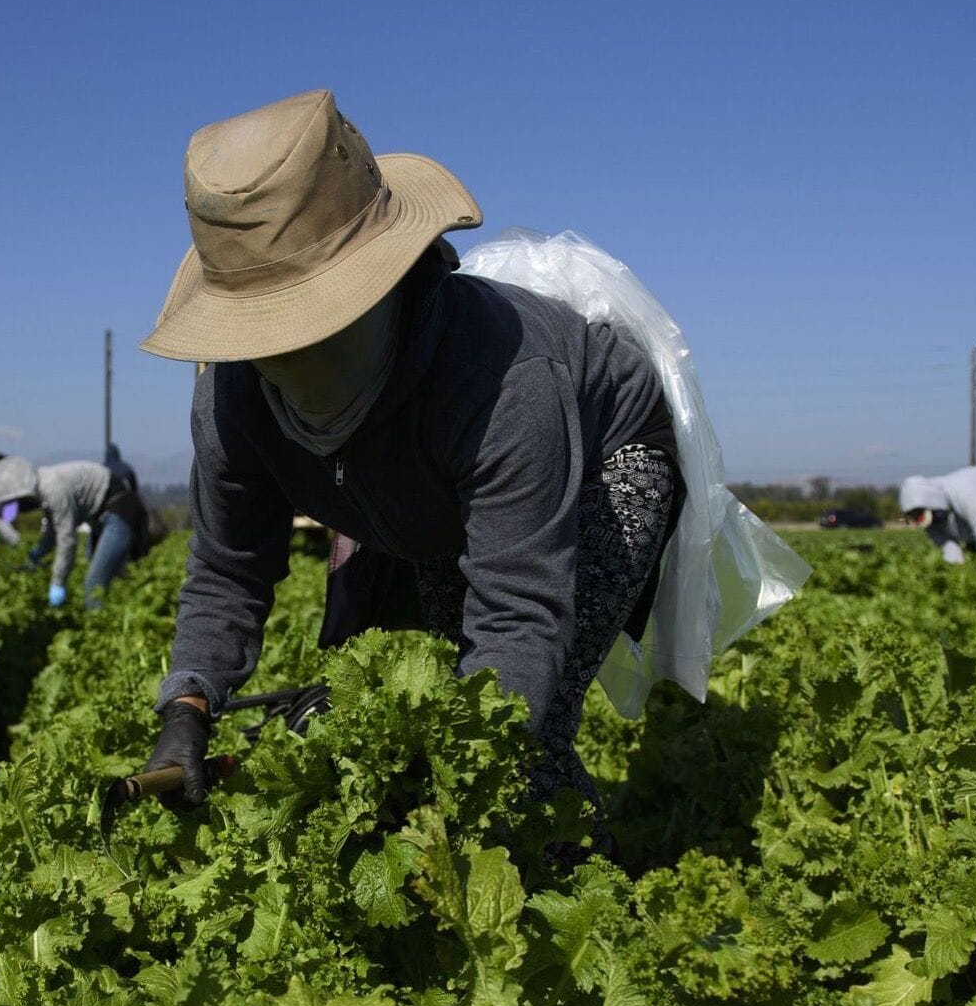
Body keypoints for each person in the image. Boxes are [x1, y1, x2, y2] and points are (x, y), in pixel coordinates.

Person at [137, 90, 683, 825]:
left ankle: (562, 905)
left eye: (314, 326)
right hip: (425, 484)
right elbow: (228, 570)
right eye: (269, 342)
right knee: (425, 697)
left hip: (605, 457)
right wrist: (190, 703)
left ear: (387, 278)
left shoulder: (497, 376)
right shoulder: (230, 398)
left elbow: (519, 612)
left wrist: (462, 754)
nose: (291, 358)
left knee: (514, 732)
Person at [0, 452, 145, 608]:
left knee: (94, 584)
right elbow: (53, 528)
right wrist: (41, 551)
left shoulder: (53, 490)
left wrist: (57, 583)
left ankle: (100, 624)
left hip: (120, 512)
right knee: (108, 575)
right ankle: (116, 615)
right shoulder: (43, 484)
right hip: (103, 516)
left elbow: (67, 539)